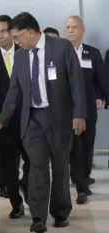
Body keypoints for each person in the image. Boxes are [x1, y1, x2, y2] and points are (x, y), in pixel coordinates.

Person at [0, 12, 87, 233]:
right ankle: (38, 216)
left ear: (31, 32)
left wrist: (79, 114)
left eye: (17, 37)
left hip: (59, 117)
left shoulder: (61, 47)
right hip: (32, 119)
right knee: (37, 165)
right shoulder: (20, 56)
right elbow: (14, 92)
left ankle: (60, 212)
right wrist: (1, 119)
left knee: (60, 166)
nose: (15, 41)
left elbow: (77, 81)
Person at [0, 15, 30, 218]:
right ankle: (15, 203)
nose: (0, 36)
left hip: (27, 116)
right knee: (7, 165)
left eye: (3, 31)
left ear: (12, 31)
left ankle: (27, 188)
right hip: (0, 119)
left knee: (32, 160)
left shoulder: (25, 51)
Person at [65, 16, 109, 204]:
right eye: (67, 27)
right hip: (67, 109)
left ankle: (83, 178)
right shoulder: (59, 52)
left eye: (74, 27)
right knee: (74, 147)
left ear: (83, 30)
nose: (70, 31)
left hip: (88, 108)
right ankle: (80, 186)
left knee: (87, 145)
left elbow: (102, 79)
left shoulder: (92, 53)